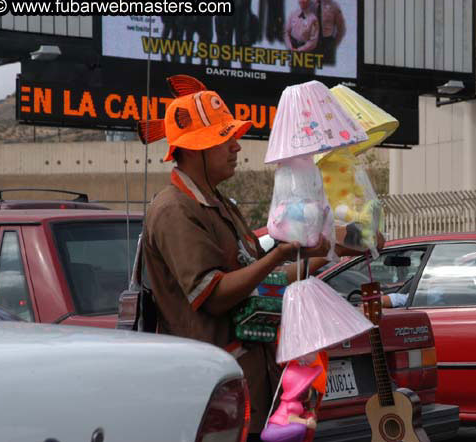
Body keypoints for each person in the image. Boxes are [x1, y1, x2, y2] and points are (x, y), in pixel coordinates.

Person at [138, 75, 337, 441]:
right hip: (211, 386)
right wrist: (279, 254)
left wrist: (318, 256)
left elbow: (255, 277)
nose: (237, 147)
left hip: (248, 379)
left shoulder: (221, 205)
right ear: (197, 147)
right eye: (225, 138)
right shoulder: (174, 210)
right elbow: (213, 295)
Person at [284, 0, 319, 75]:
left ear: (309, 0)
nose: (302, 0)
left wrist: (299, 50)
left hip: (307, 54)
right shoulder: (293, 14)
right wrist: (290, 47)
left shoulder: (313, 19)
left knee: (306, 81)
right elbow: (286, 32)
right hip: (294, 51)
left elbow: (313, 42)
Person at [310, 0, 346, 66]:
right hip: (311, 44)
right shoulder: (307, 3)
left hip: (327, 45)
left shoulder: (333, 4)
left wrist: (333, 45)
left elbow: (341, 29)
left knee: (328, 72)